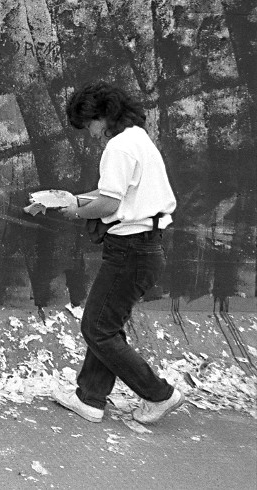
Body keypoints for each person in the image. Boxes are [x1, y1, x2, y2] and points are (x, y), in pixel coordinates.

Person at [52, 82, 181, 424]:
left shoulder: (119, 148)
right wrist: (75, 198)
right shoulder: (138, 138)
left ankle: (159, 394)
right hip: (143, 247)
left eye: (90, 124)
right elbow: (118, 194)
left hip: (129, 250)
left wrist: (76, 211)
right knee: (105, 323)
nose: (91, 133)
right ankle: (90, 398)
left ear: (103, 115)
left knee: (97, 328)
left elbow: (109, 203)